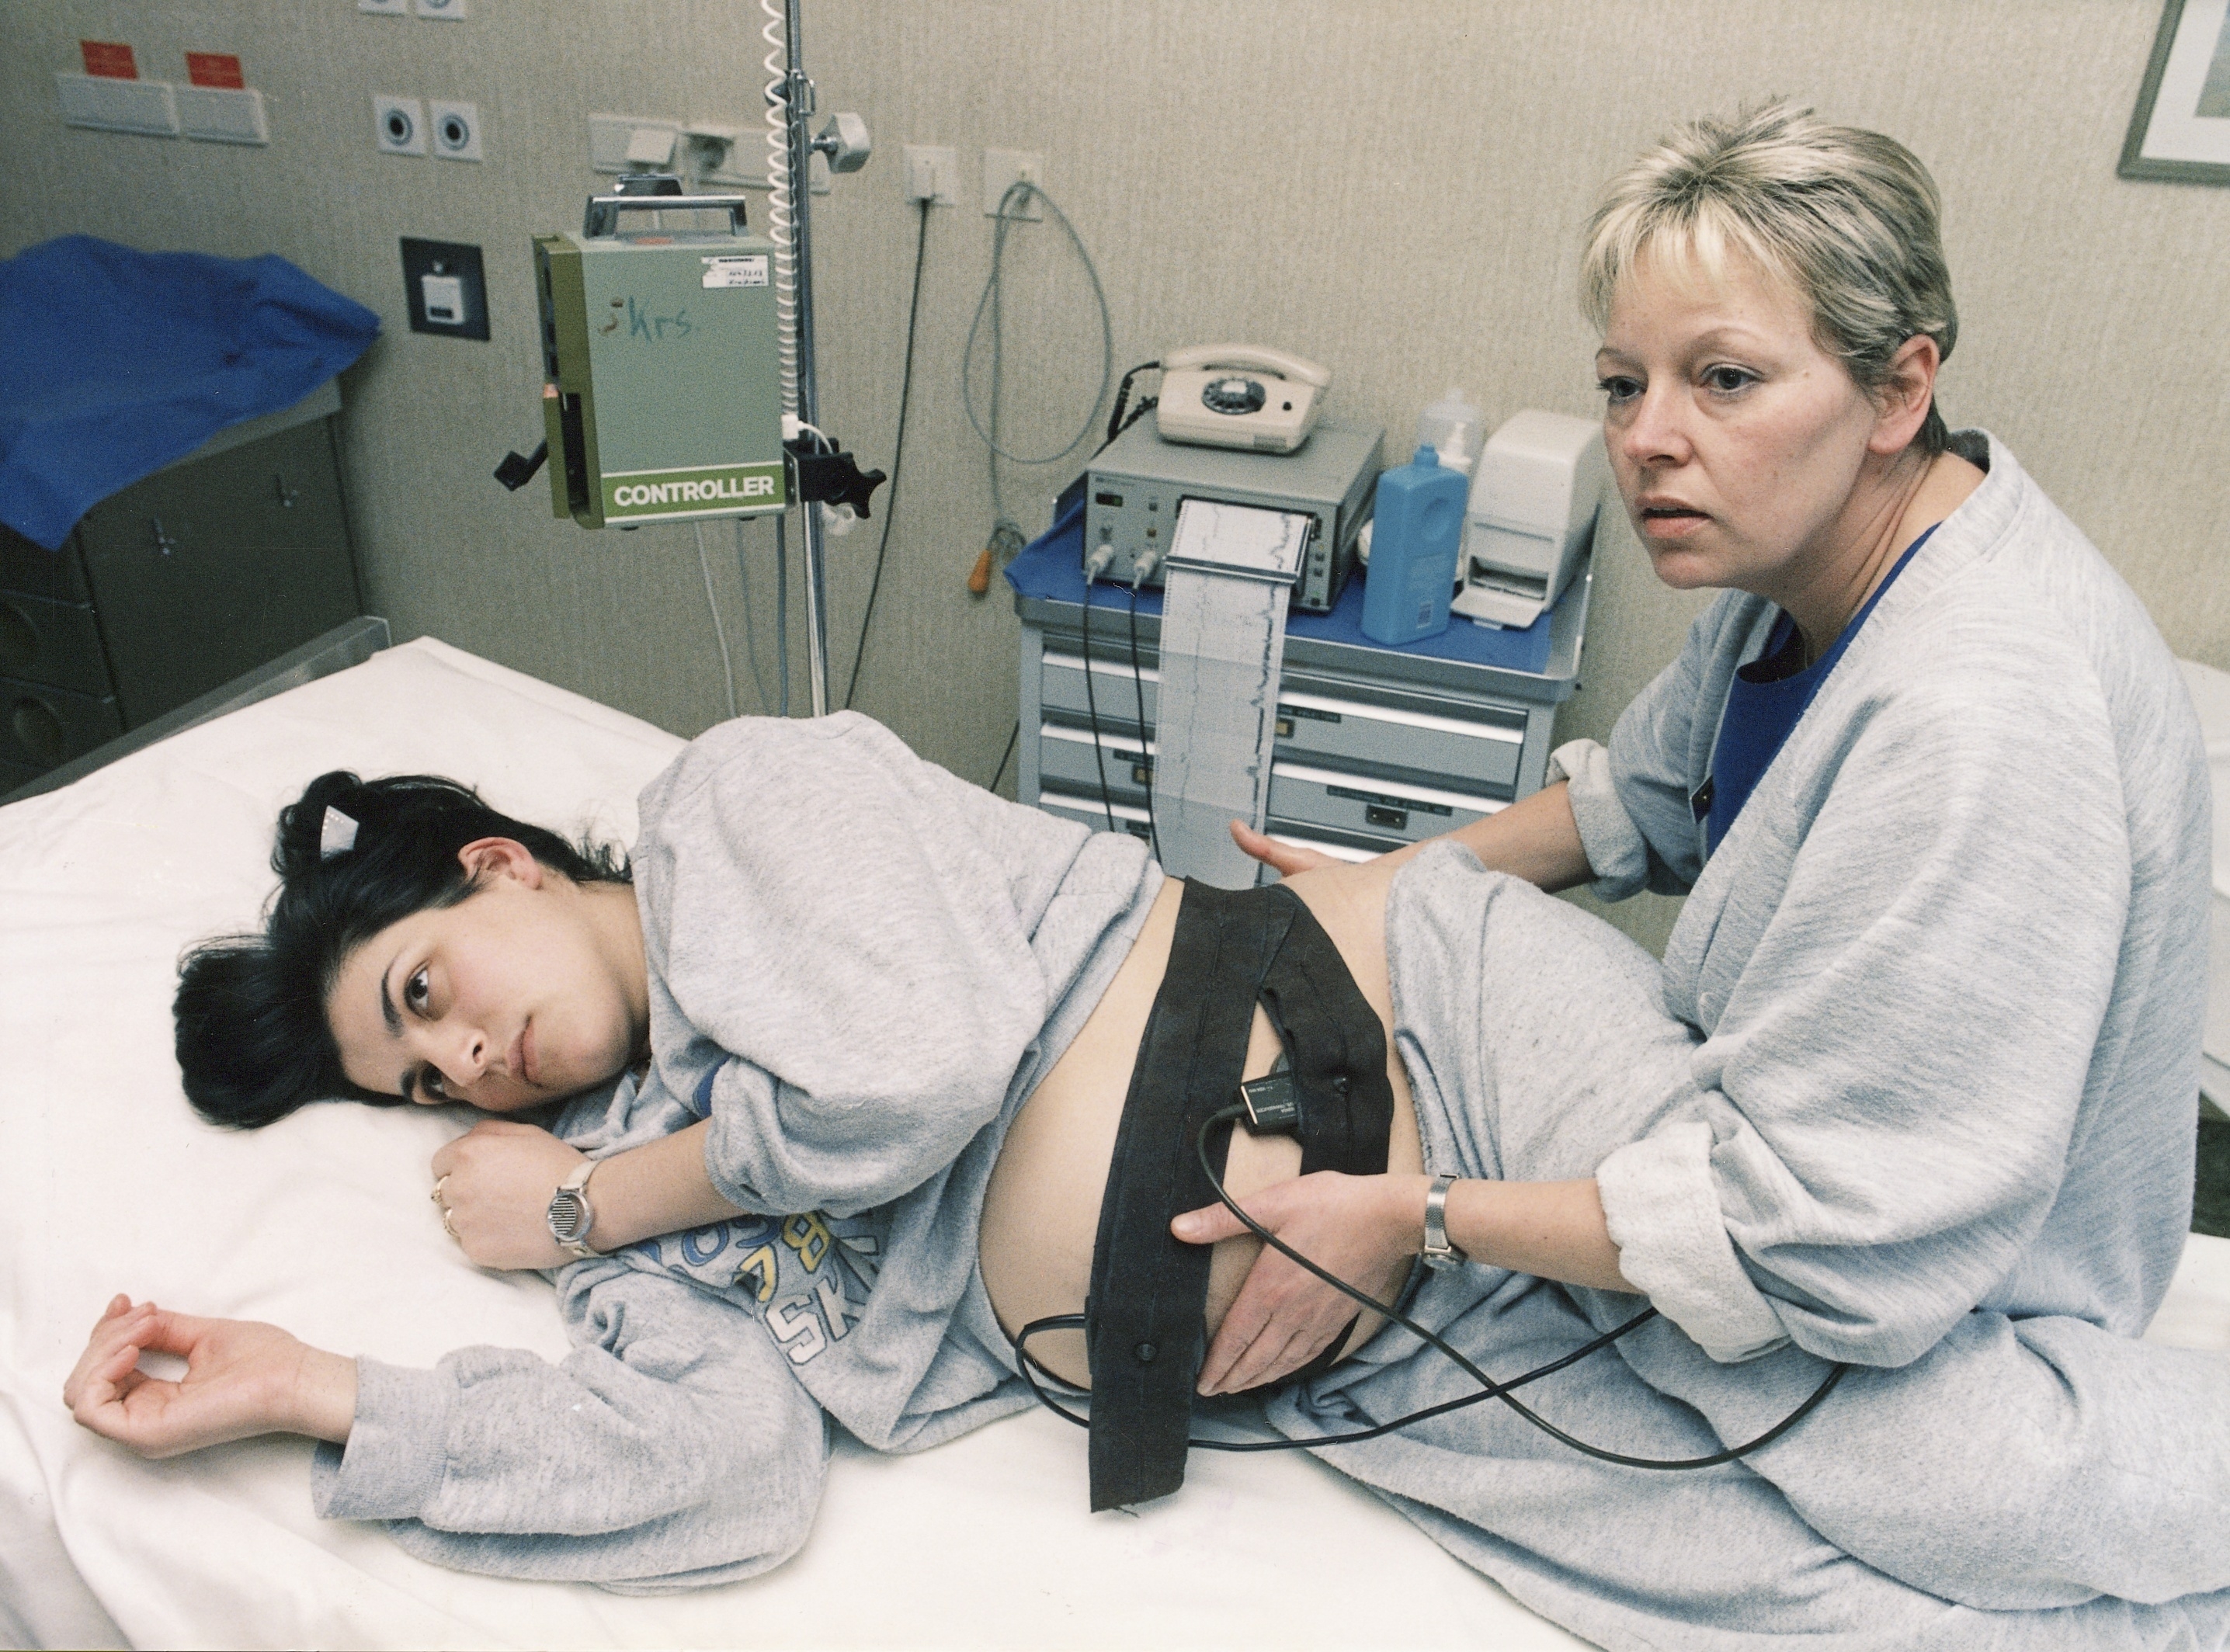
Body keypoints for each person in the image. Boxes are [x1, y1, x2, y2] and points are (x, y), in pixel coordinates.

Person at [64, 101, 2230, 1647]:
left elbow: (906, 1074)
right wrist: (321, 1385)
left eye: (432, 985)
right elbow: (724, 1478)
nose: (481, 1061)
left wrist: (582, 1203)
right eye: (430, 1084)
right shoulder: (650, 1175)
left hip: (1439, 1095)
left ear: (508, 858)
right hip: (1353, 1300)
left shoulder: (741, 811)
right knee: (1799, 1578)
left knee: (1919, 1449)